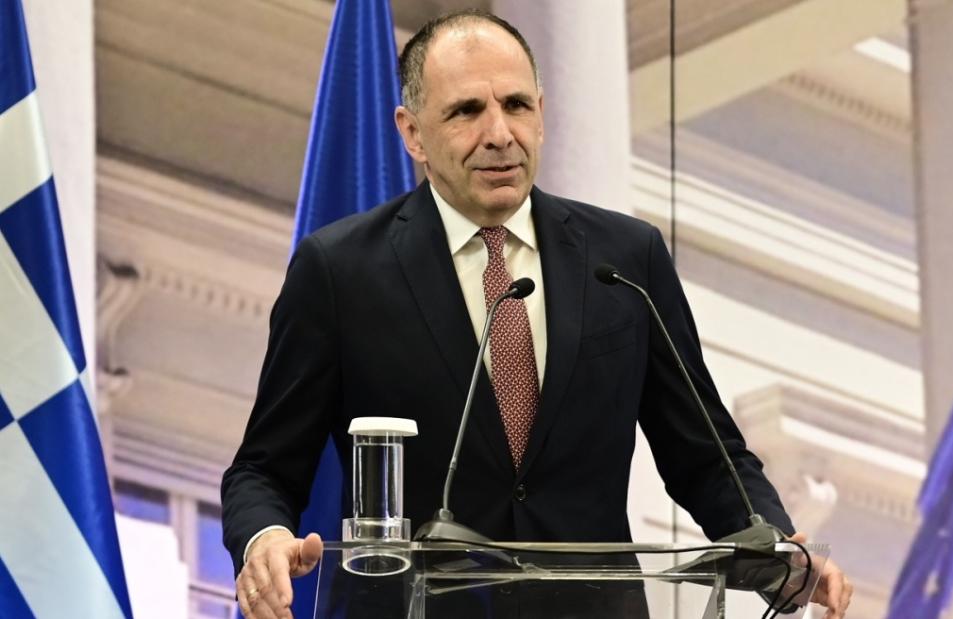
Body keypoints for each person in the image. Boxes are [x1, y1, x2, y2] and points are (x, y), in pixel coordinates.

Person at [221, 10, 853, 619]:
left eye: (517, 105)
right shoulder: (341, 271)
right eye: (467, 111)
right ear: (412, 133)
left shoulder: (625, 260)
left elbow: (708, 454)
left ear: (542, 115)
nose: (500, 133)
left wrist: (780, 549)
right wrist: (264, 539)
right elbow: (263, 469)